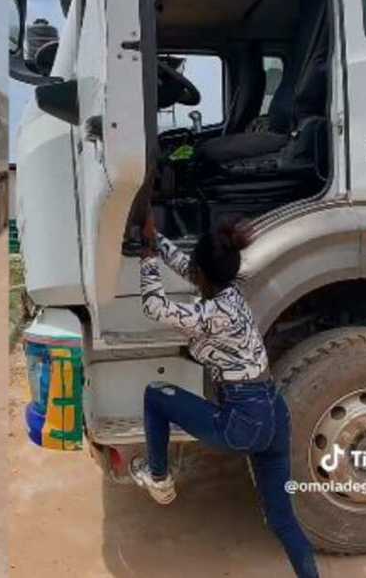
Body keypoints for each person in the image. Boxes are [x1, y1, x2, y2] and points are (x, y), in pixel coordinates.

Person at [128, 213, 321, 578]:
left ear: (202, 274)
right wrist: (157, 238)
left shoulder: (213, 312)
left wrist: (148, 259)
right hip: (272, 411)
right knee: (283, 521)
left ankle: (159, 478)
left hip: (242, 420)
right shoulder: (229, 292)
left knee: (156, 396)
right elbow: (189, 265)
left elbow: (154, 307)